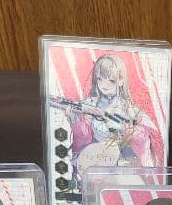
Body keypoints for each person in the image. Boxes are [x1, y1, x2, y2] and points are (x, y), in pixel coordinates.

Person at [65, 54, 156, 184]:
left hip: (119, 161)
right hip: (94, 158)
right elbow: (80, 139)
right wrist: (75, 120)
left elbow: (142, 135)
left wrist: (128, 131)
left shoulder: (128, 109)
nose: (104, 84)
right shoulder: (89, 104)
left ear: (121, 80)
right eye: (100, 79)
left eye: (111, 81)